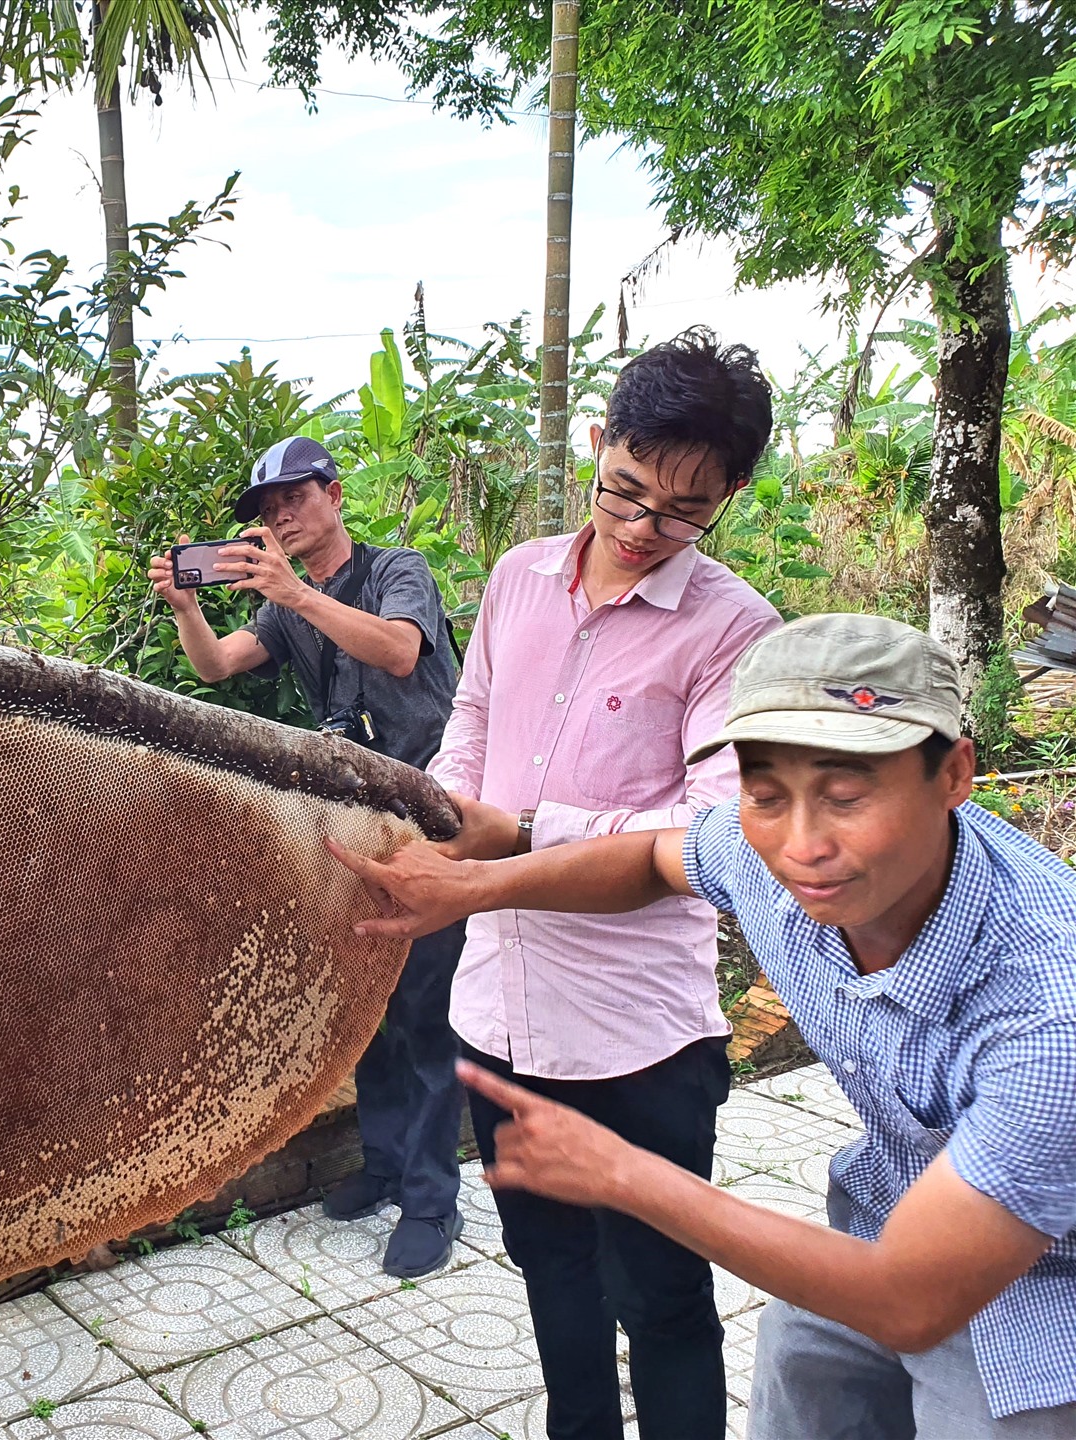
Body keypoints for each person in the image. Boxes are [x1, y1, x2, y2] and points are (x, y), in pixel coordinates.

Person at [333, 613, 1076, 1439]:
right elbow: (654, 857)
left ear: (955, 774)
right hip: (884, 1230)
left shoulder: (1048, 1010)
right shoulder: (762, 852)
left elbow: (910, 1300)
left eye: (847, 794)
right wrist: (483, 882)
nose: (801, 845)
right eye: (765, 794)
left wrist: (624, 1173)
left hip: (1044, 1310)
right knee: (801, 1386)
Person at [409, 329, 781, 1440]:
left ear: (729, 495)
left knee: (661, 1300)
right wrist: (442, 816)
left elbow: (717, 834)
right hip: (497, 1015)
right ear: (598, 443)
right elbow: (471, 724)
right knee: (548, 1271)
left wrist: (517, 833)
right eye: (623, 489)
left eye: (681, 512)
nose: (638, 528)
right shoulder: (520, 575)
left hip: (640, 1040)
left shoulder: (735, 631)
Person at [146, 434, 467, 1279]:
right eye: (266, 509)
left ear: (332, 493)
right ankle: (389, 1168)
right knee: (366, 1002)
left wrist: (294, 593)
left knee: (427, 1009)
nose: (280, 516)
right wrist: (187, 607)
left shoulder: (401, 570)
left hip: (432, 817)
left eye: (293, 497)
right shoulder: (283, 606)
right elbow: (218, 668)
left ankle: (433, 1201)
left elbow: (399, 650)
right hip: (350, 821)